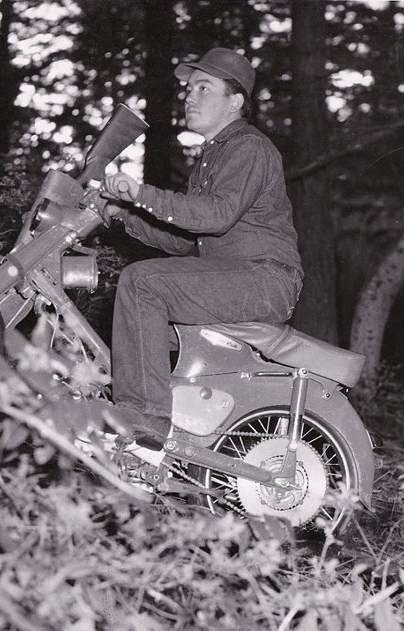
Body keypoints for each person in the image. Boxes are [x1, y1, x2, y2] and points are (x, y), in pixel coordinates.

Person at [101, 47, 303, 450]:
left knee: (142, 284)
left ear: (235, 101)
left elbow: (215, 216)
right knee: (145, 323)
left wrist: (140, 192)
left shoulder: (249, 147)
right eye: (188, 88)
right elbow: (183, 240)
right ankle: (181, 438)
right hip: (240, 277)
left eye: (203, 87)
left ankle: (145, 420)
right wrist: (122, 214)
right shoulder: (214, 156)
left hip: (265, 278)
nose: (189, 96)